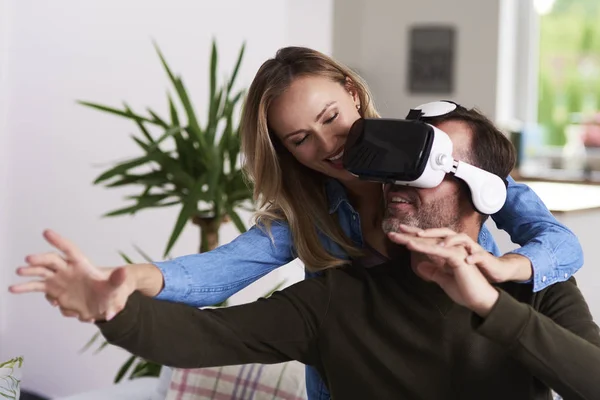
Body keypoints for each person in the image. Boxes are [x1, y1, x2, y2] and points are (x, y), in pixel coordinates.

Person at [9, 48, 584, 400]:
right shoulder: (324, 268)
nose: (329, 146)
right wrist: (119, 292)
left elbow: (559, 245)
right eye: (300, 139)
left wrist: (499, 285)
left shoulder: (532, 278)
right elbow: (217, 292)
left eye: (332, 119)